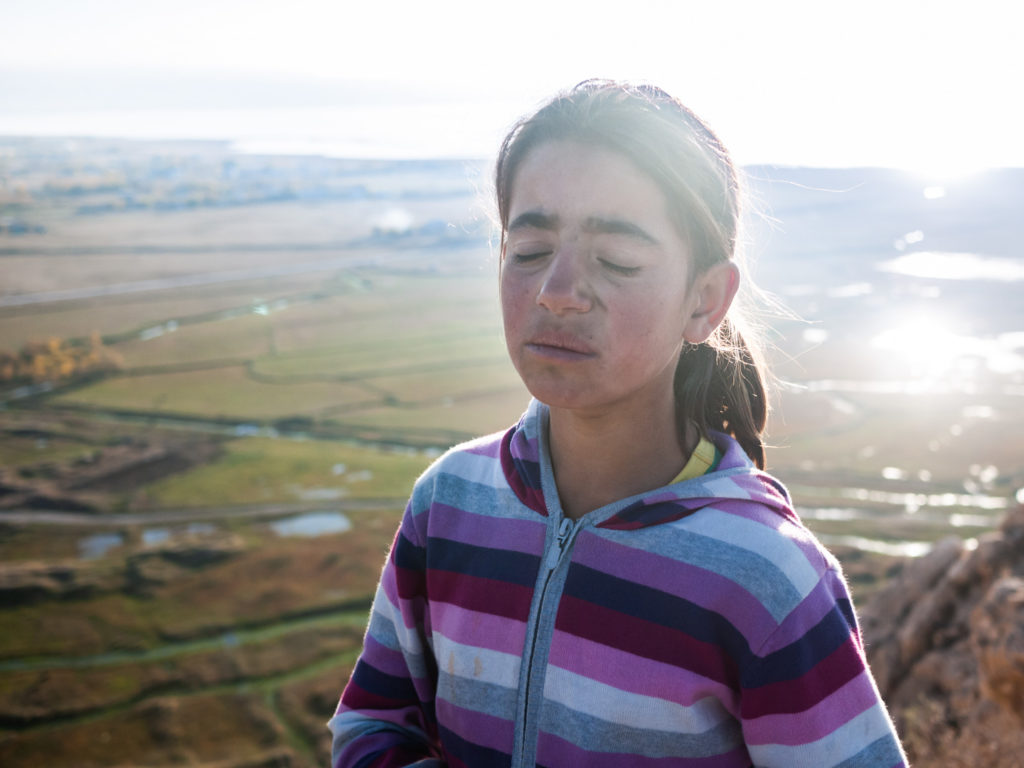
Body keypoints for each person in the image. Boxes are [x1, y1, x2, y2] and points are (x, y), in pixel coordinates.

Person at [329, 80, 907, 767]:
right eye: (530, 250)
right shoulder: (449, 503)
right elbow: (371, 725)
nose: (558, 292)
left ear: (705, 301)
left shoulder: (767, 580)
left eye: (618, 260)